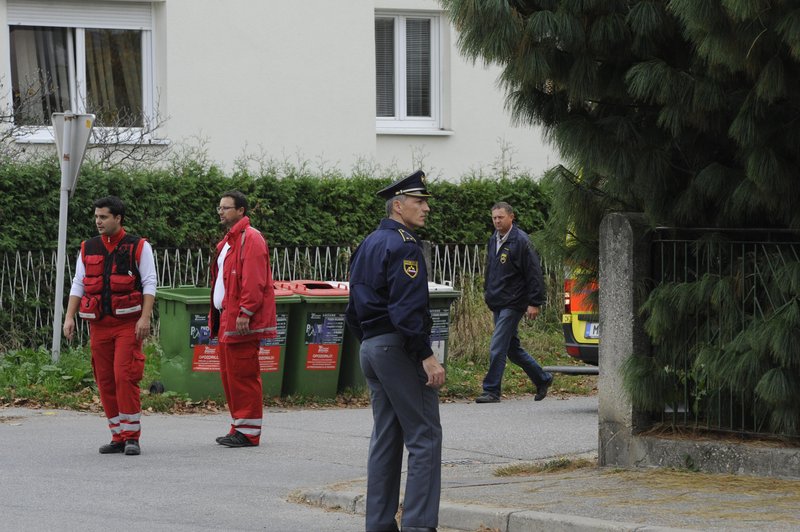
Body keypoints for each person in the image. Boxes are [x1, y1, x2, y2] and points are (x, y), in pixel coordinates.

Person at [345, 170, 445, 532]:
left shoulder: (369, 243)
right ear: (398, 206)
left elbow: (352, 306)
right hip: (397, 347)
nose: (426, 208)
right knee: (425, 436)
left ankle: (379, 524)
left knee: (386, 438)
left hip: (371, 346)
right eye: (420, 201)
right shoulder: (404, 245)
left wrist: (371, 344)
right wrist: (426, 354)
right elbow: (407, 309)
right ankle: (419, 525)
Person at [63, 195, 157, 456]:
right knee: (105, 380)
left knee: (124, 376)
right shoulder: (88, 247)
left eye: (103, 217)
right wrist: (69, 317)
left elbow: (150, 283)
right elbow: (78, 284)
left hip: (127, 324)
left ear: (118, 218)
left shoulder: (139, 246)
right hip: (99, 326)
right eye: (96, 217)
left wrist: (144, 318)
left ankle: (131, 436)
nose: (98, 221)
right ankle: (117, 435)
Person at [209, 190, 277, 448]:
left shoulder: (252, 239)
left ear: (241, 211)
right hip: (228, 317)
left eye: (226, 208)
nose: (221, 212)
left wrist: (246, 312)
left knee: (244, 375)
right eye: (220, 208)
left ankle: (249, 432)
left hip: (240, 319)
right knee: (230, 375)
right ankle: (239, 425)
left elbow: (254, 280)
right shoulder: (230, 241)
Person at [475, 201, 553, 404]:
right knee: (512, 349)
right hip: (498, 301)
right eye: (494, 218)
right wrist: (487, 293)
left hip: (514, 302)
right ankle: (542, 378)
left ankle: (491, 390)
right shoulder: (494, 239)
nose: (497, 221)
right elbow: (490, 269)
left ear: (511, 217)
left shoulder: (521, 241)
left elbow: (534, 273)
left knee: (497, 346)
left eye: (500, 217)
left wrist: (534, 302)